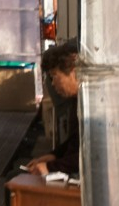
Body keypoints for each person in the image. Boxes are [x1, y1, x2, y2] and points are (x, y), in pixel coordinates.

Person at [25, 42, 80, 176]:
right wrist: (54, 156)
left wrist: (50, 167)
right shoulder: (76, 101)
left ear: (74, 72)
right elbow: (75, 141)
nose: (53, 83)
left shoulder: (93, 106)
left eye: (54, 76)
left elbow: (89, 155)